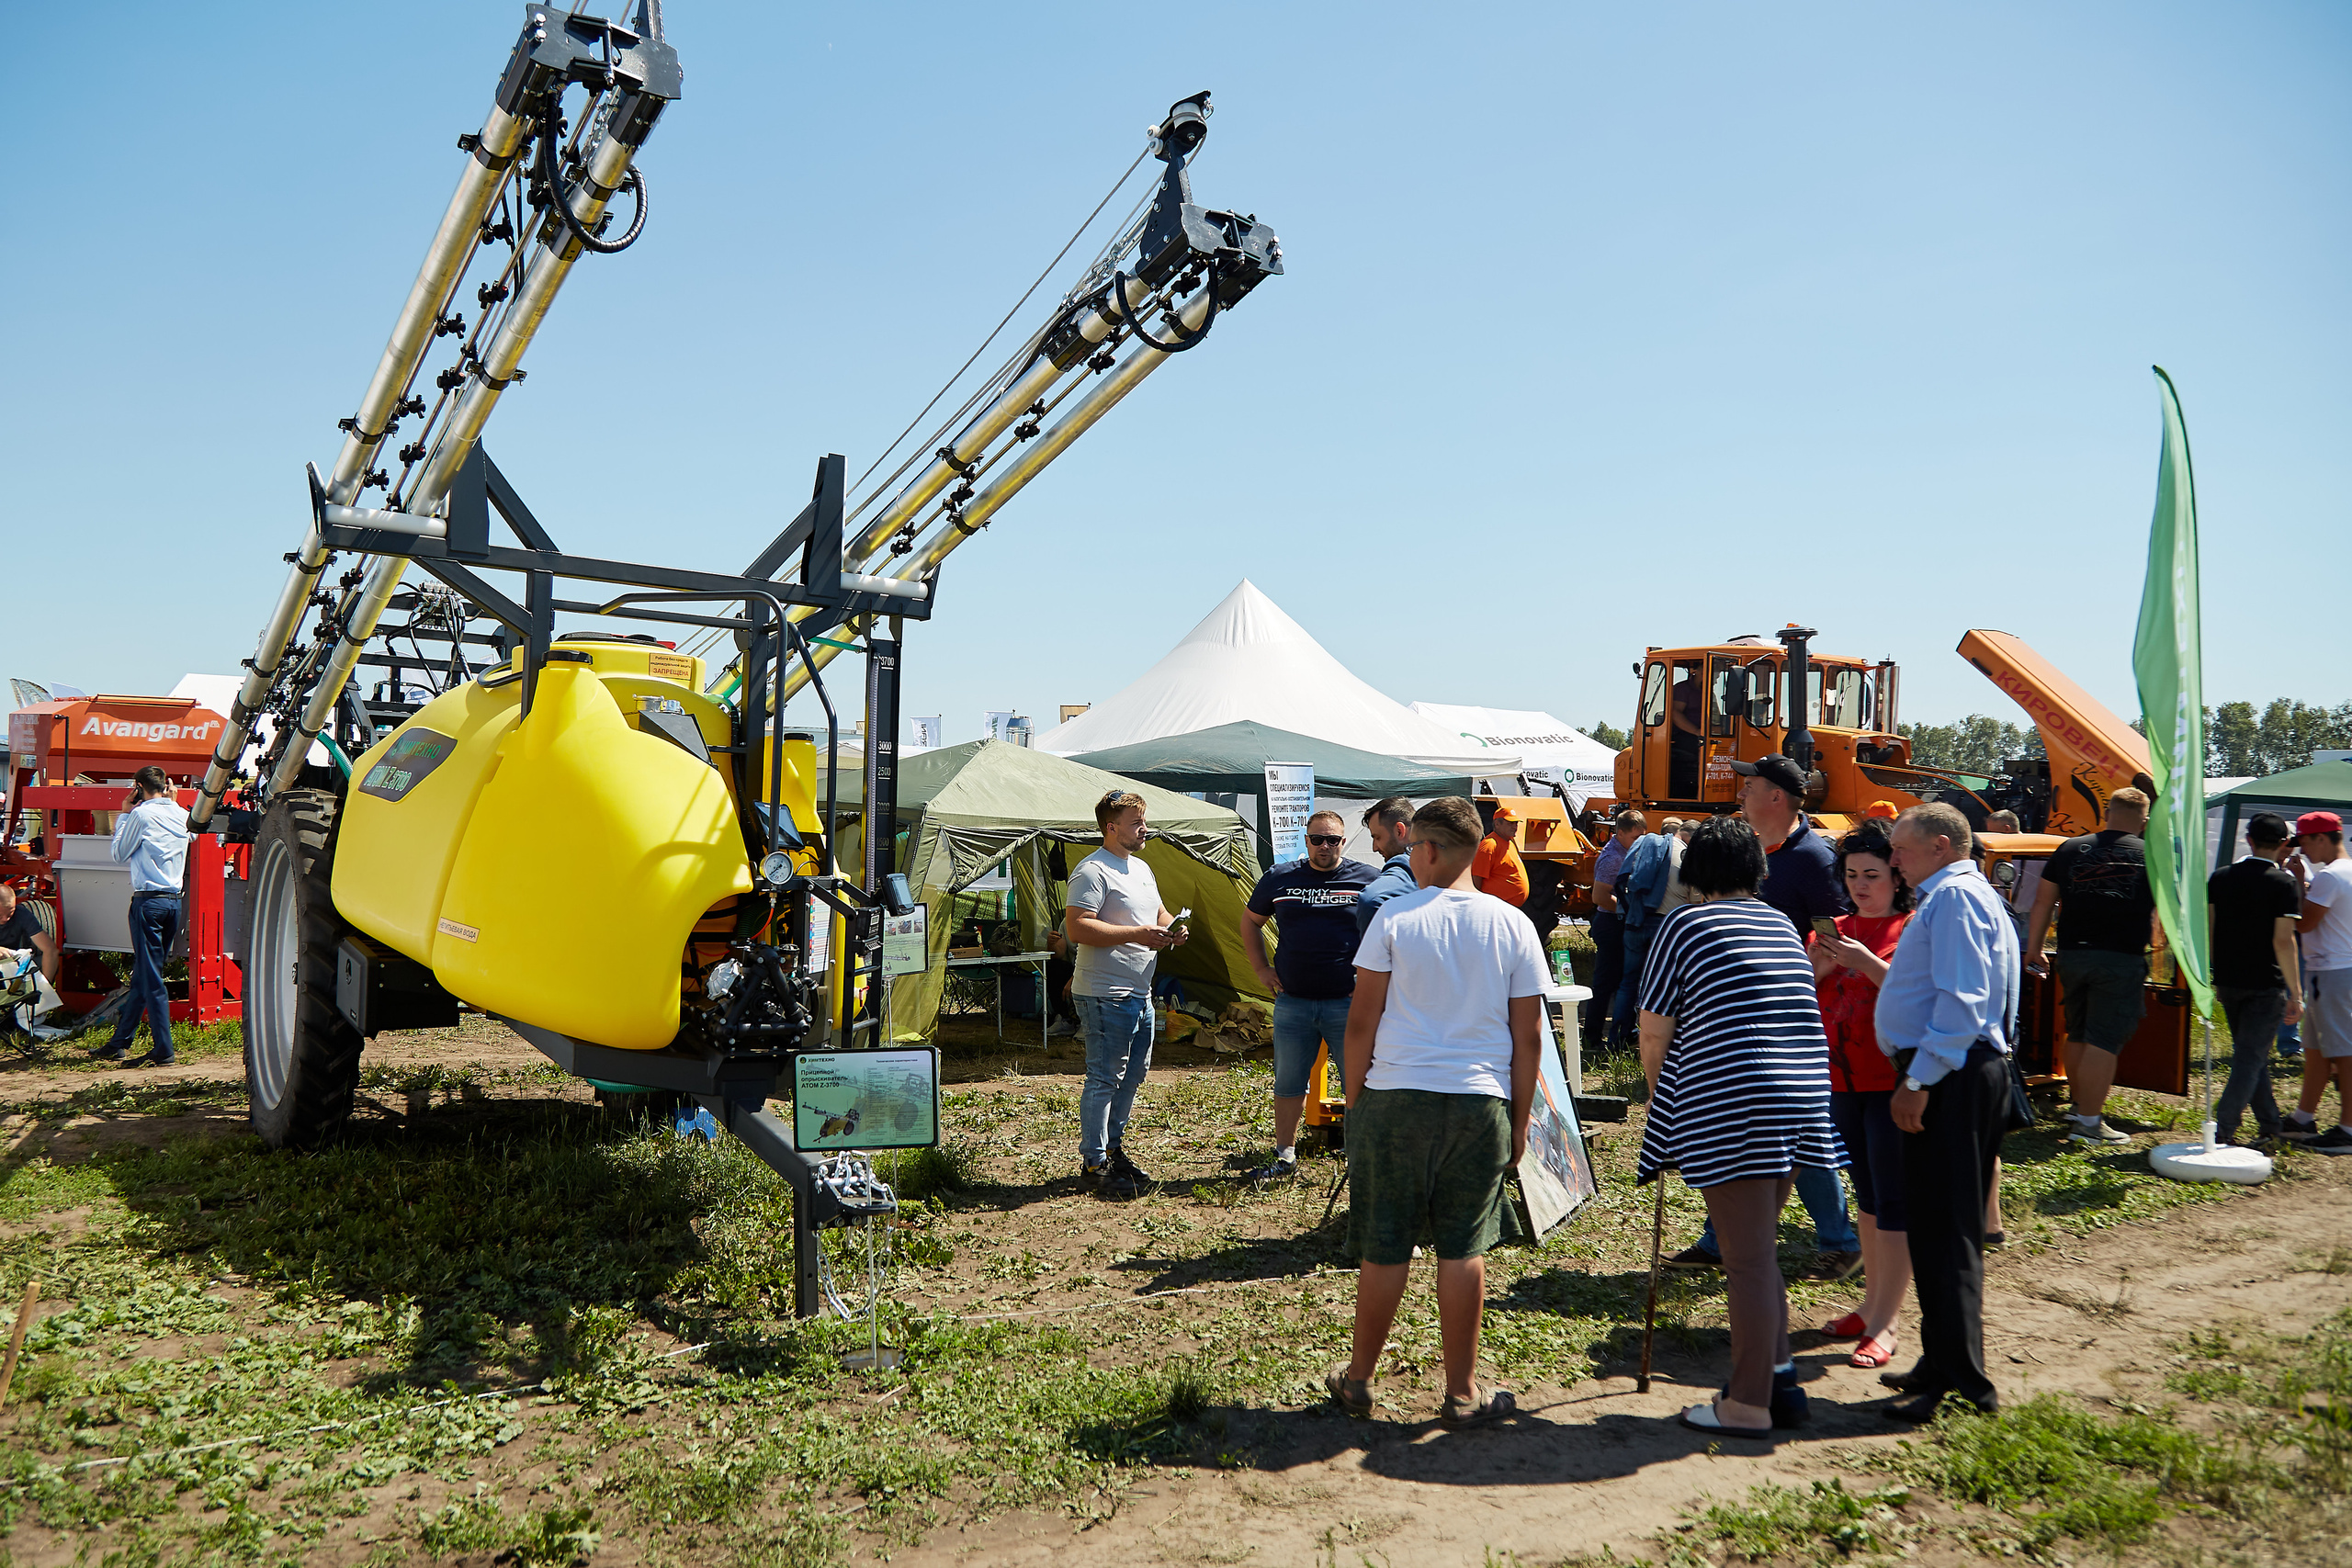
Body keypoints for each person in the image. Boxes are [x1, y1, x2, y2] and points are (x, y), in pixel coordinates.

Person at [1329, 798, 1544, 1429]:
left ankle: (1360, 1379)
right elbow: (1528, 1034)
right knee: (1463, 1246)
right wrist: (1523, 1115)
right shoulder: (1513, 925)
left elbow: (1361, 1020)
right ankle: (1462, 1392)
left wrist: (1357, 1097)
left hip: (1395, 1096)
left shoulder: (1394, 917)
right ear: (1477, 849)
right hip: (1480, 1102)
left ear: (1424, 849)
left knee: (1385, 1244)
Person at [1636, 815, 1848, 1436]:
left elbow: (1654, 1030)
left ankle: (1748, 1404)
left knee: (1747, 1260)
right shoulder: (1781, 921)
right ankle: (1781, 1382)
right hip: (1801, 1099)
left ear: (1694, 868)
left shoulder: (1685, 923)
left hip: (1735, 1103)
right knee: (1759, 1252)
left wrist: (1660, 1099)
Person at [1664, 753, 1859, 1280]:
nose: (1741, 791)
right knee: (1752, 1130)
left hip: (1795, 1014)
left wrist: (1795, 981)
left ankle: (1839, 1239)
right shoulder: (1755, 851)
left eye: (1750, 785)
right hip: (1752, 1017)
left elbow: (1837, 933)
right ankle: (1721, 1238)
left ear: (1777, 796)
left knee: (1801, 1131)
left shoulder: (1813, 856)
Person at [1876, 802, 2018, 1421]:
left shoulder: (1956, 899)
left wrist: (1919, 1078)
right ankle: (1942, 1361)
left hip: (1950, 1075)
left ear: (1940, 844)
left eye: (1901, 851)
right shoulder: (1963, 895)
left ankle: (1961, 1380)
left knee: (1946, 1231)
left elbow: (1963, 1004)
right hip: (1956, 1072)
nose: (1893, 862)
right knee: (1936, 1227)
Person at [1809, 821, 1914, 1371]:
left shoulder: (1912, 927)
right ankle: (1874, 1304)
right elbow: (1802, 993)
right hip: (1840, 1080)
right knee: (1869, 1199)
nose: (1860, 886)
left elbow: (1916, 997)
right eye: (1851, 875)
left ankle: (1887, 1324)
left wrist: (1866, 964)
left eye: (1872, 875)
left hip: (1892, 1083)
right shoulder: (1832, 931)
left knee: (1891, 1201)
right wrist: (1820, 965)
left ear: (1898, 875)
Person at [1241, 809, 1377, 1181]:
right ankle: (1284, 1155)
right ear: (1306, 841)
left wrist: (1372, 979)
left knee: (1358, 1081)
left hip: (1346, 1003)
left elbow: (1389, 931)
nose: (1324, 846)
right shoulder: (1280, 878)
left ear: (1344, 841)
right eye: (1317, 839)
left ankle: (1361, 1158)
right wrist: (1261, 969)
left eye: (1332, 839)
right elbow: (1250, 922)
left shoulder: (1368, 880)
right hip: (1293, 1002)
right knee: (1288, 1081)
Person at [1064, 790, 1188, 1197]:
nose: (1144, 828)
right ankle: (1094, 1162)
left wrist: (1172, 928)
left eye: (1143, 820)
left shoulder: (1141, 868)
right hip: (1104, 994)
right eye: (1136, 823)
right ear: (1111, 827)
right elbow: (1078, 928)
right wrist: (1138, 935)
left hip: (1139, 992)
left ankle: (1112, 1150)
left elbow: (1157, 913)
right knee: (1104, 1078)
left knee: (1132, 1076)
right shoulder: (1092, 871)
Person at [2022, 787, 2156, 1145]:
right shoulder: (2151, 855)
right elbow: (2166, 914)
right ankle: (2089, 1122)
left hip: (2072, 954)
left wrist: (2034, 948)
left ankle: (2080, 1106)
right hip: (2120, 957)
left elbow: (2042, 902)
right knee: (2105, 1038)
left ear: (2107, 812)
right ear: (2144, 820)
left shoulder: (2069, 848)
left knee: (2079, 1030)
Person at [2206, 812, 2303, 1148]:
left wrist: (2216, 973)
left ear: (2248, 839)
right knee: (2249, 1057)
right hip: (2267, 981)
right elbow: (2283, 941)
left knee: (2252, 1054)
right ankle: (2225, 1128)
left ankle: (2270, 1123)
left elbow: (2211, 930)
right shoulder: (2285, 883)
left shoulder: (2219, 878)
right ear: (2283, 845)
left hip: (2230, 980)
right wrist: (2297, 992)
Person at [95, 766, 192, 1067]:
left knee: (151, 979)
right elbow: (194, 840)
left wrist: (124, 814)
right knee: (145, 973)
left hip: (147, 903)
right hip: (173, 903)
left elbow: (119, 854)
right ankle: (120, 1042)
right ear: (166, 785)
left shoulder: (140, 815)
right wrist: (175, 803)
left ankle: (164, 1049)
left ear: (138, 787)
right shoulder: (181, 814)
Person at [2281, 811, 2352, 1153]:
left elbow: (2303, 924)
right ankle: (2303, 1118)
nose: (2302, 850)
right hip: (2335, 970)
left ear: (2322, 838)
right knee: (2316, 1050)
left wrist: (2296, 884)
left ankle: (2348, 1128)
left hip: (2332, 972)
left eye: (2305, 841)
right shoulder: (2344, 872)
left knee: (2343, 1052)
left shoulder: (2330, 877)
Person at [1585, 810, 1645, 1055]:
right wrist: (1629, 910)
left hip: (1616, 921)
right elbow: (1599, 897)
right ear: (1620, 833)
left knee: (1619, 982)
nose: (1639, 842)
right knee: (1605, 984)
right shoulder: (1613, 858)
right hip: (1611, 924)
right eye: (1634, 837)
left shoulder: (1624, 852)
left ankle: (1615, 1036)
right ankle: (1591, 1039)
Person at [1352, 797, 1416, 937]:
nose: (1374, 848)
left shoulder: (1406, 870)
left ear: (1399, 831)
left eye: (1377, 837)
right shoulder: (1442, 867)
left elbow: (1372, 899)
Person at [0, 885, 60, 987]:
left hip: (13, 966)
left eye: (10, 913)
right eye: (0, 916)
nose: (6, 919)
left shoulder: (22, 914)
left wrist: (45, 987)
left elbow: (50, 950)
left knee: (43, 961)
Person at [1472, 807, 1530, 907]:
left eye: (1516, 823)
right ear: (1497, 824)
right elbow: (1477, 877)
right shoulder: (1490, 845)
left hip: (1507, 908)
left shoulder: (1509, 842)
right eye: (1510, 823)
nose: (1514, 827)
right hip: (1495, 908)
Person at [1043, 929, 1079, 1040]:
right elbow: (1058, 954)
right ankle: (1065, 1019)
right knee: (1052, 965)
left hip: (1094, 968)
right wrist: (1051, 943)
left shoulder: (1098, 918)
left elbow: (1095, 957)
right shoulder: (1066, 922)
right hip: (1075, 968)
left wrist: (1075, 978)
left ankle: (1088, 1023)